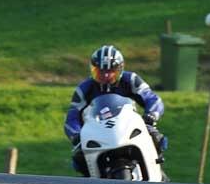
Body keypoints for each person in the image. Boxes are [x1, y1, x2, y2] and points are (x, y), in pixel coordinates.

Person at [64, 45, 166, 176]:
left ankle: (157, 171)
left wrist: (152, 114)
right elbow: (72, 117)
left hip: (128, 126)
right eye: (100, 71)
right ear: (93, 69)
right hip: (97, 132)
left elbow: (153, 99)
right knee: (79, 157)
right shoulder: (85, 88)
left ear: (120, 69)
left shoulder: (131, 80)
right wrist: (76, 135)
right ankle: (91, 182)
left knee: (156, 137)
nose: (106, 75)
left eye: (111, 71)